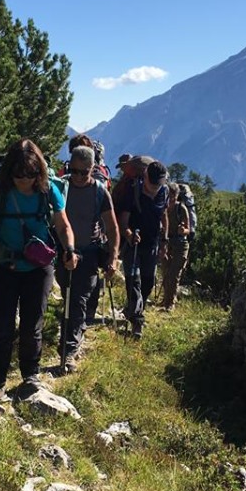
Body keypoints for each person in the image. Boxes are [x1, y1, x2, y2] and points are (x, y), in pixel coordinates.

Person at [0, 139, 78, 401]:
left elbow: (63, 225)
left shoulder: (49, 189)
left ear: (38, 171)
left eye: (29, 174)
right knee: (2, 326)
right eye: (18, 174)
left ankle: (30, 375)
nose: (24, 180)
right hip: (3, 266)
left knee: (32, 325)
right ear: (10, 171)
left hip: (38, 268)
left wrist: (70, 249)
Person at [56, 145, 120, 372]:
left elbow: (112, 228)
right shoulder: (61, 187)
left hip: (89, 253)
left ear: (93, 169)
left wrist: (113, 258)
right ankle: (74, 332)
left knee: (78, 299)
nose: (79, 176)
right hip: (63, 251)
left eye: (84, 172)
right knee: (68, 294)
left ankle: (69, 350)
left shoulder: (100, 192)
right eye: (74, 171)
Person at [116, 160, 169, 339]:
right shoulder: (133, 191)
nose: (155, 188)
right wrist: (130, 235)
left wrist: (164, 242)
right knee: (135, 284)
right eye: (152, 184)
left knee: (147, 285)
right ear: (145, 177)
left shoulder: (164, 192)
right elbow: (123, 222)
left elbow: (164, 216)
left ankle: (133, 310)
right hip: (133, 246)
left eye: (158, 184)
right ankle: (137, 322)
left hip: (152, 246)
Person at [160, 182, 191, 310]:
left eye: (173, 196)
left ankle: (170, 303)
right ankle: (166, 300)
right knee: (166, 272)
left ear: (177, 195)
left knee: (174, 273)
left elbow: (188, 229)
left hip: (180, 244)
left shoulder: (181, 209)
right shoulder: (163, 207)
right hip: (166, 243)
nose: (171, 198)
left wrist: (182, 230)